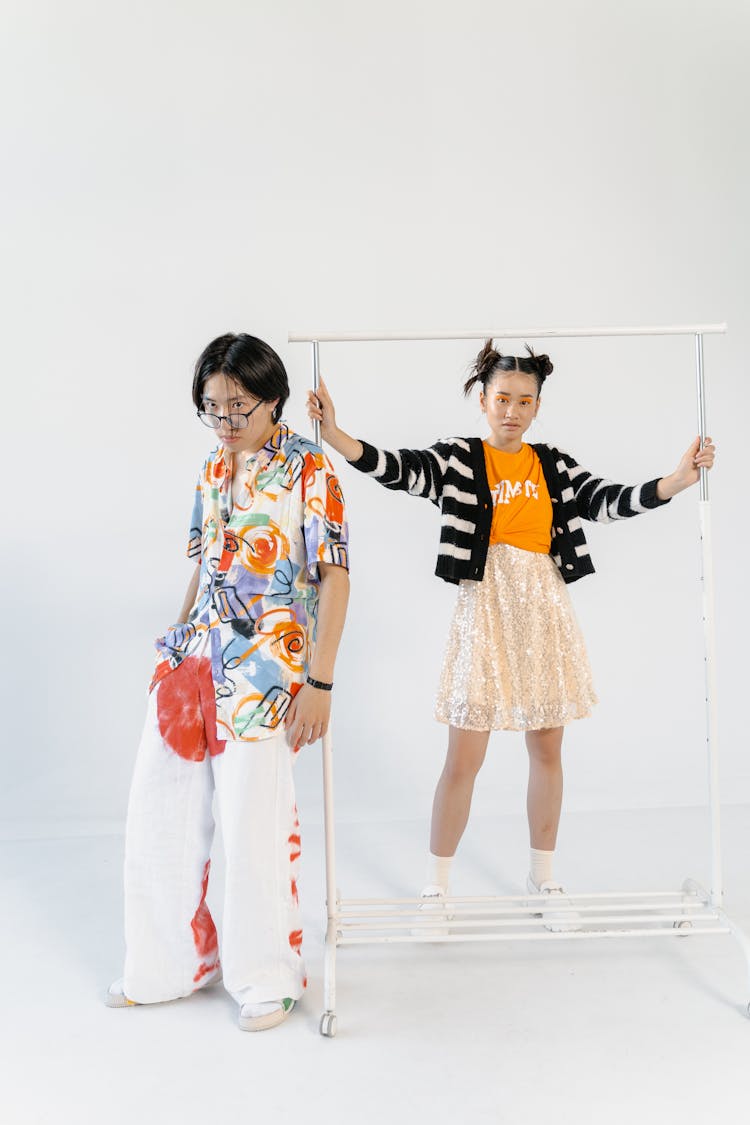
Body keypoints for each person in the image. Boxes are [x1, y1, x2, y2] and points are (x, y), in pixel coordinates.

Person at [307, 340, 714, 928]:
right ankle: (437, 890)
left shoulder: (551, 465)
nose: (512, 410)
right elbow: (399, 469)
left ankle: (543, 879)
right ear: (482, 399)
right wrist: (339, 435)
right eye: (502, 398)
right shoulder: (460, 459)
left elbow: (606, 502)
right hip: (486, 609)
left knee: (547, 745)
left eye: (525, 401)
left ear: (538, 406)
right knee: (464, 754)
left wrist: (676, 479)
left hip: (544, 607)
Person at [106, 333, 350, 1029]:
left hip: (270, 670)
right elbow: (207, 563)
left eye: (238, 406)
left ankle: (268, 975)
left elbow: (335, 577)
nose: (225, 420)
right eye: (211, 407)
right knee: (159, 807)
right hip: (195, 659)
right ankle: (167, 965)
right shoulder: (213, 466)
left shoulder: (312, 470)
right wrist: (174, 644)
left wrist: (321, 683)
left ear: (272, 398)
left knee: (254, 818)